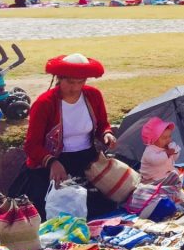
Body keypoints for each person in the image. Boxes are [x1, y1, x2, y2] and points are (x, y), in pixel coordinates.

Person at [11, 53, 117, 219]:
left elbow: (102, 124)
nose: (75, 87)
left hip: (86, 160)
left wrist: (107, 133)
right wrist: (52, 162)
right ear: (59, 78)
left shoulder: (93, 96)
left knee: (98, 209)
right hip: (54, 163)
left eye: (81, 82)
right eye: (70, 82)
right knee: (50, 211)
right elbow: (31, 146)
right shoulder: (44, 103)